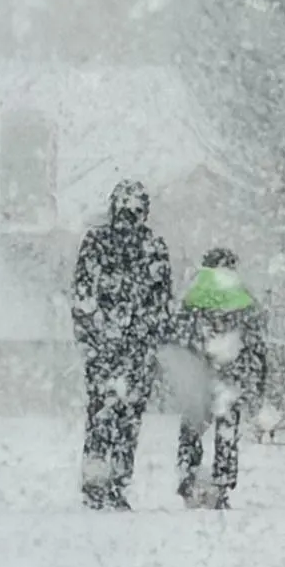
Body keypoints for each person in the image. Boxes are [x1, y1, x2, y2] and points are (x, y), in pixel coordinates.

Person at [69, 179, 171, 509]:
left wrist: (90, 337)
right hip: (128, 346)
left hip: (115, 345)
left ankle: (101, 482)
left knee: (107, 416)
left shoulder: (99, 242)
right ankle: (111, 482)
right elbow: (162, 305)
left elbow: (83, 296)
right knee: (122, 417)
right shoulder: (151, 247)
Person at [165, 246, 268, 510]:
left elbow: (176, 334)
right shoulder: (243, 297)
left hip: (198, 370)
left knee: (192, 425)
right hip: (230, 373)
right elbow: (255, 341)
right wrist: (256, 378)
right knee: (227, 427)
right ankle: (221, 483)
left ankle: (188, 477)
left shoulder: (192, 294)